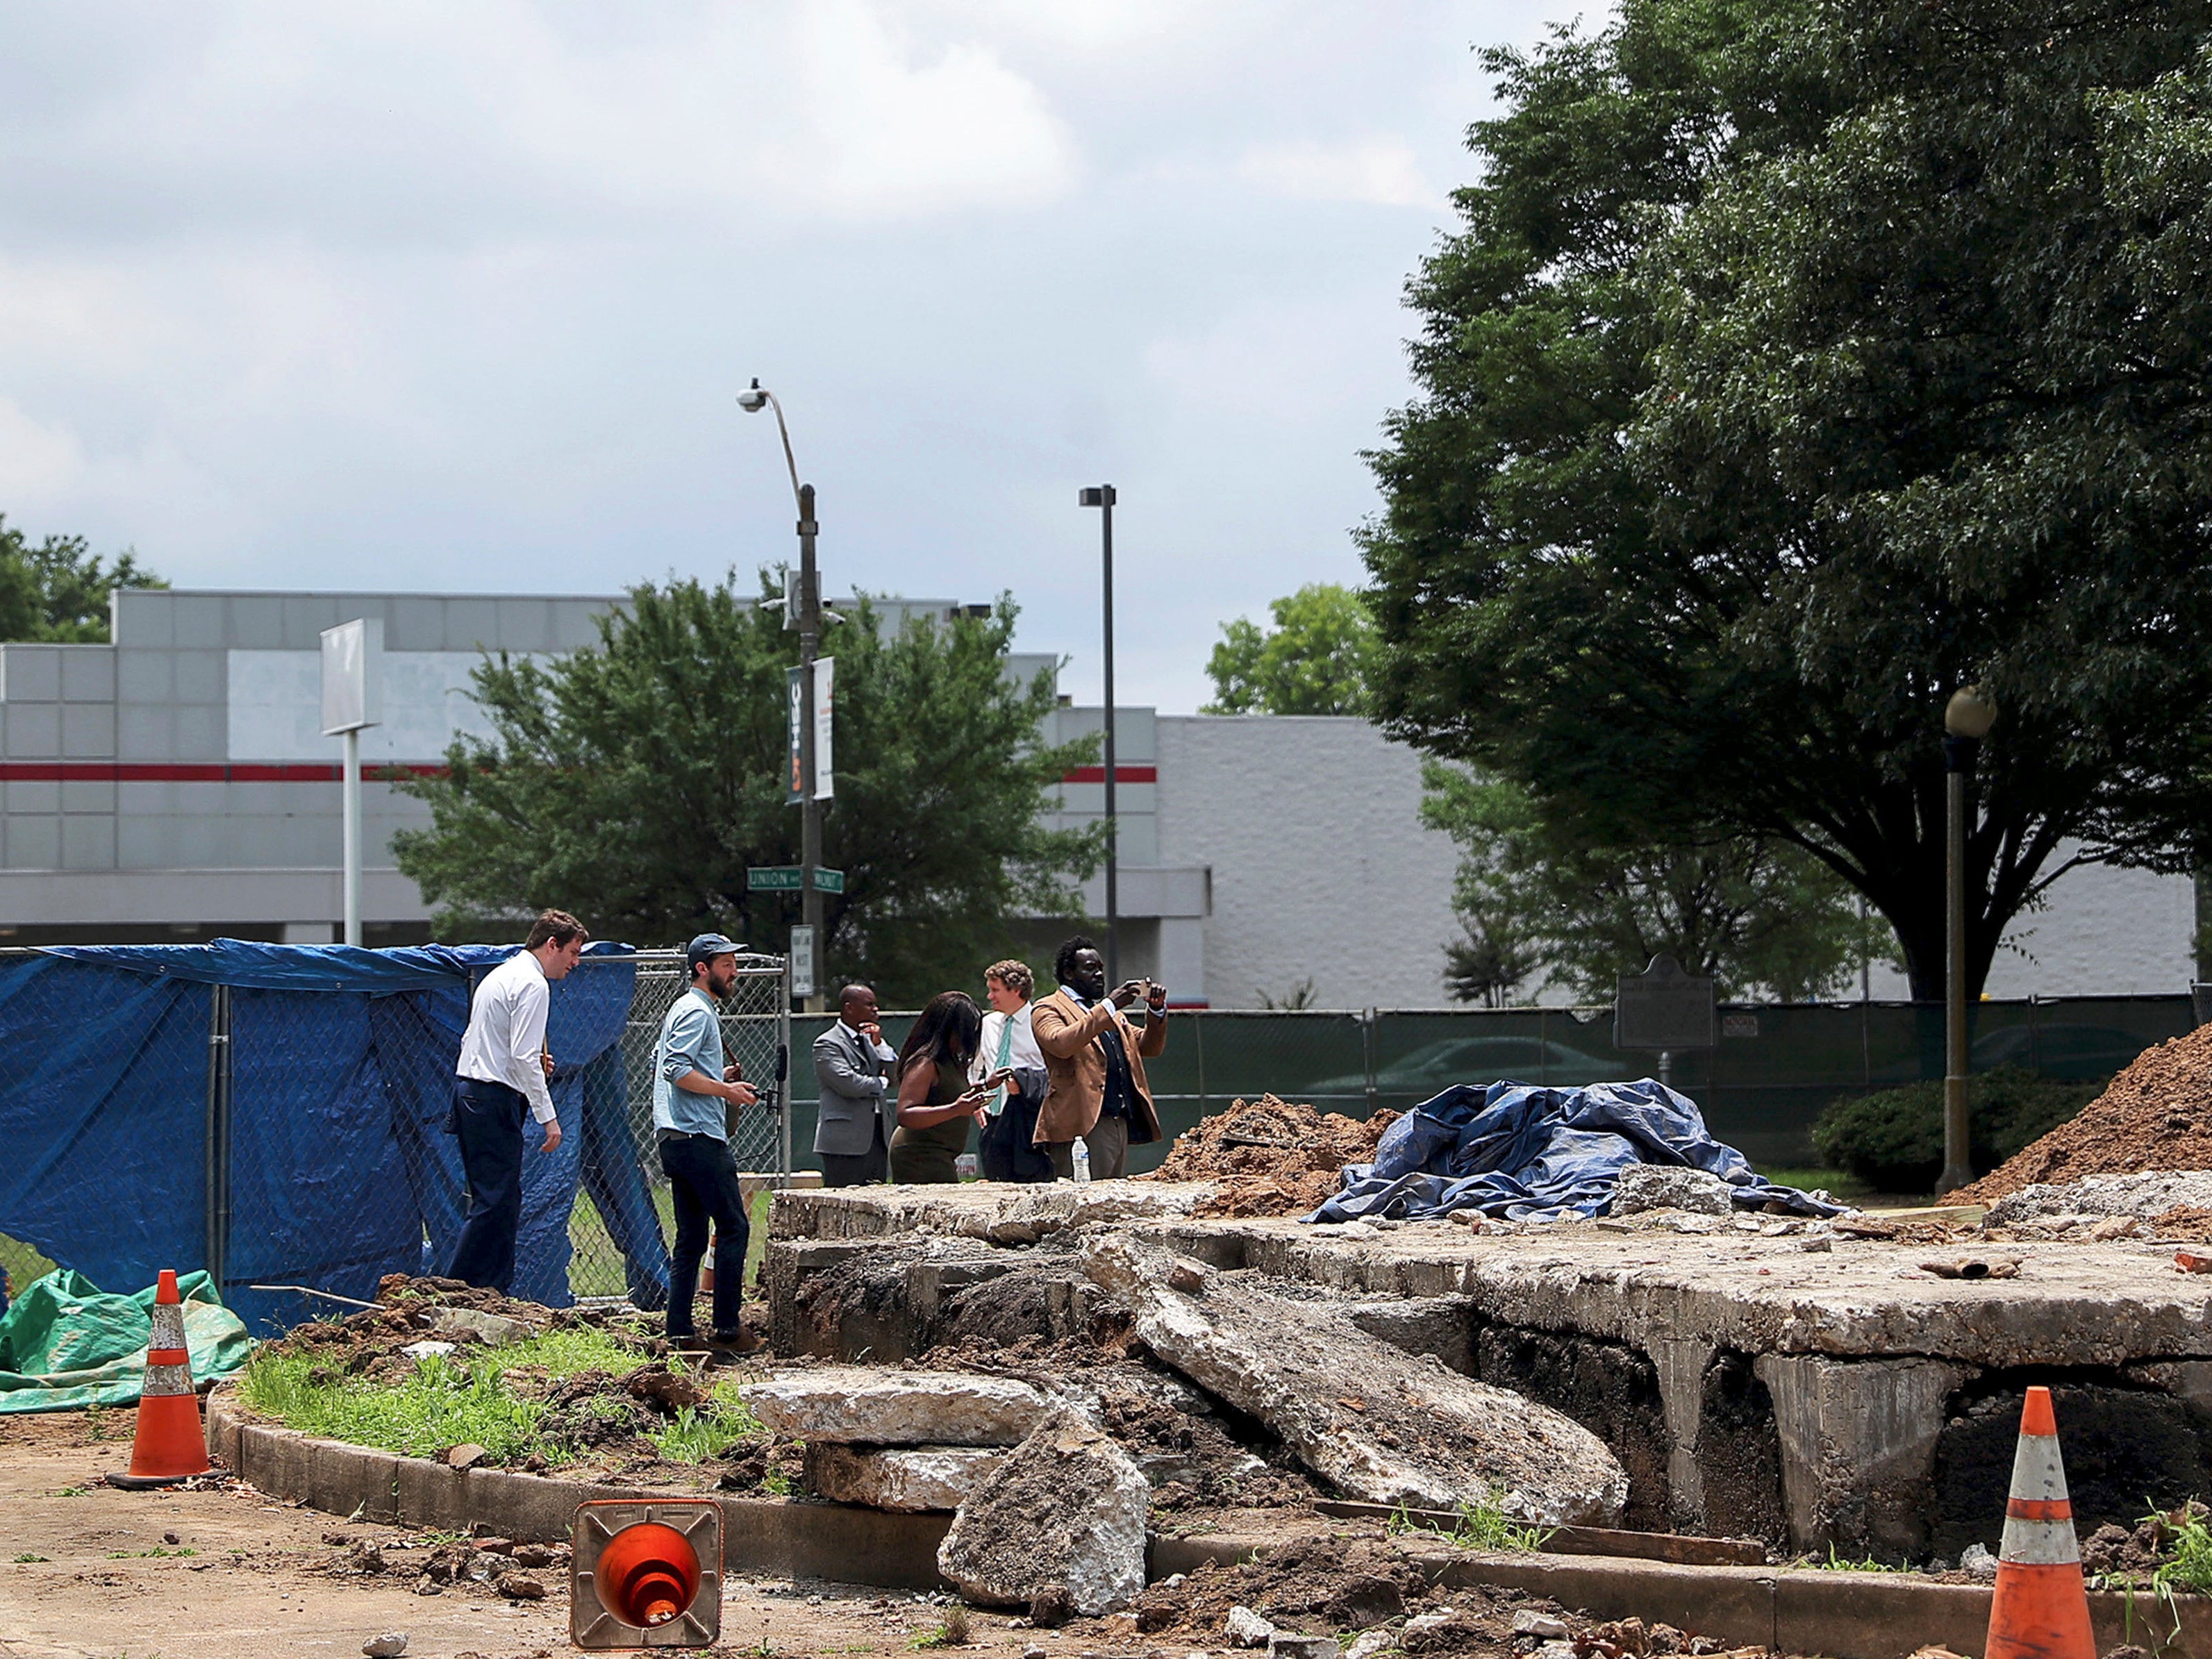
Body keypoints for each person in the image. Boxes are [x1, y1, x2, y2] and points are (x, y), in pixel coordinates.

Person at [447, 908, 587, 1290]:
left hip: (473, 1092)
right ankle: (465, 1288)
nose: (575, 962)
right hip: (491, 1097)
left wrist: (532, 1066)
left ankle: (484, 1289)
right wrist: (549, 1117)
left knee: (496, 1198)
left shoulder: (501, 975)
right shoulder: (533, 984)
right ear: (552, 945)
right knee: (497, 1201)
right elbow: (524, 1057)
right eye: (573, 952)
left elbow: (493, 1045)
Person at [654, 932, 763, 1353]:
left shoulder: (685, 1009)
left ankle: (679, 1331)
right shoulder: (697, 1011)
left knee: (692, 1237)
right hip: (699, 1139)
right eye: (726, 964)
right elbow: (676, 1070)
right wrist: (726, 1092)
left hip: (675, 1139)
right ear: (703, 969)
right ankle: (727, 1329)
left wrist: (720, 1080)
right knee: (734, 1225)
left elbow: (672, 1064)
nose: (734, 971)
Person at [1030, 934, 1167, 1181]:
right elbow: (1061, 1043)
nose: (1099, 975)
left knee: (1109, 1203)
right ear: (1069, 973)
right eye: (1090, 969)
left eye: (1101, 969)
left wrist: (1156, 1010)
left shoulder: (1112, 1016)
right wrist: (1108, 1006)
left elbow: (1148, 1047)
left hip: (1118, 1120)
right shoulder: (1047, 1008)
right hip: (1082, 1125)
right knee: (1083, 1199)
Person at [889, 991, 997, 1183]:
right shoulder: (926, 1063)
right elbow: (905, 1114)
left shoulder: (952, 1060)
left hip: (941, 1154)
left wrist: (986, 1086)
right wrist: (955, 1109)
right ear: (948, 1029)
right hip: (919, 1155)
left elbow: (949, 1094)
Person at [974, 960, 1053, 1183]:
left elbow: (1053, 1072)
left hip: (1029, 1120)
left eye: (995, 990)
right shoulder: (988, 1024)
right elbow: (974, 1067)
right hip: (994, 1121)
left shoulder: (1041, 1023)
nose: (990, 997)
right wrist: (976, 1101)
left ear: (1016, 990)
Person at [814, 983, 900, 1186]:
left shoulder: (870, 1041)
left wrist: (880, 1046)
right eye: (869, 1004)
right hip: (844, 1143)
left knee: (876, 1199)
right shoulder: (828, 1043)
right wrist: (881, 1082)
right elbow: (848, 1083)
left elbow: (897, 1077)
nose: (875, 1009)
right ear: (849, 1007)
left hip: (876, 1136)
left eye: (875, 1005)